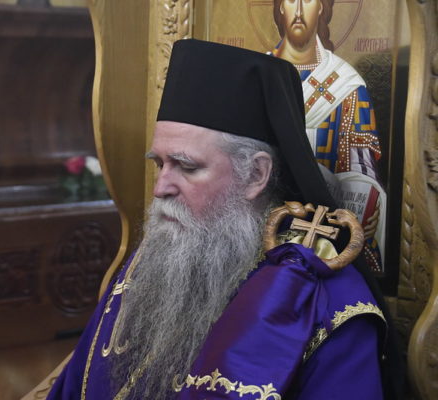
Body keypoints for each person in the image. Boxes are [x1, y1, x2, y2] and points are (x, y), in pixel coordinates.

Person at [44, 39, 398, 399]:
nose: (160, 188)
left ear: (256, 175)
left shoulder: (322, 300)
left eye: (186, 167)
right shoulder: (152, 263)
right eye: (159, 164)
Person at [271, 0, 386, 273]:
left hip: (329, 232)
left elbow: (361, 164)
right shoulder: (259, 76)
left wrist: (368, 206)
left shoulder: (347, 84)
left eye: (309, 0)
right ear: (280, 7)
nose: (299, 11)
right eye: (291, 0)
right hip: (268, 224)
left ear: (322, 7)